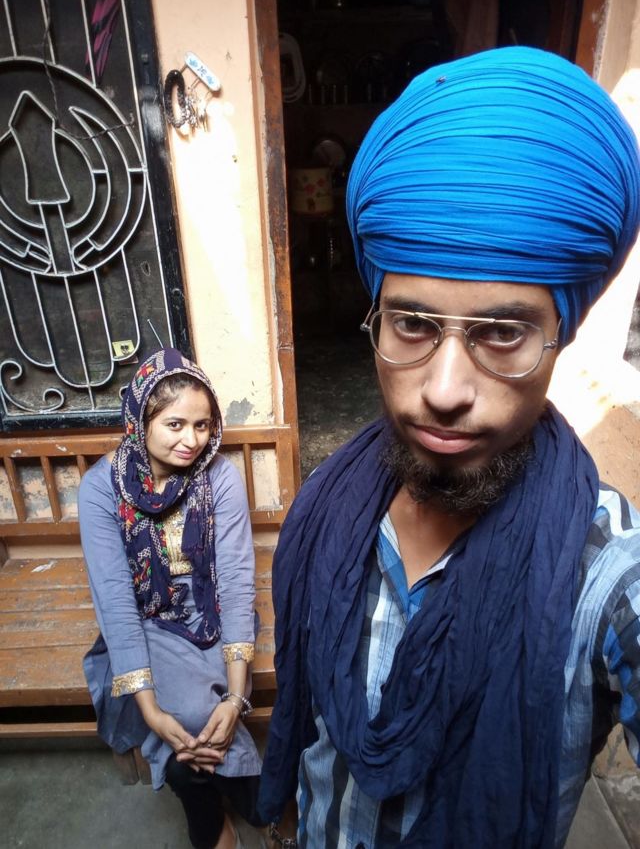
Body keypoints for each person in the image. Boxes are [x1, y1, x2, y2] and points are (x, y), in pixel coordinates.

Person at [257, 46, 640, 848]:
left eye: (502, 333)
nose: (443, 388)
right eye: (412, 323)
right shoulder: (329, 507)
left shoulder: (604, 573)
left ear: (560, 333)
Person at [80, 348, 262, 849]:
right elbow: (115, 599)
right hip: (148, 617)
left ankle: (211, 824)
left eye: (202, 425)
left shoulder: (218, 476)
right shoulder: (101, 489)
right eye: (175, 424)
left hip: (212, 609)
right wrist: (150, 712)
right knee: (182, 715)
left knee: (205, 714)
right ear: (141, 422)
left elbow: (234, 580)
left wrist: (236, 697)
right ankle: (252, 809)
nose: (192, 440)